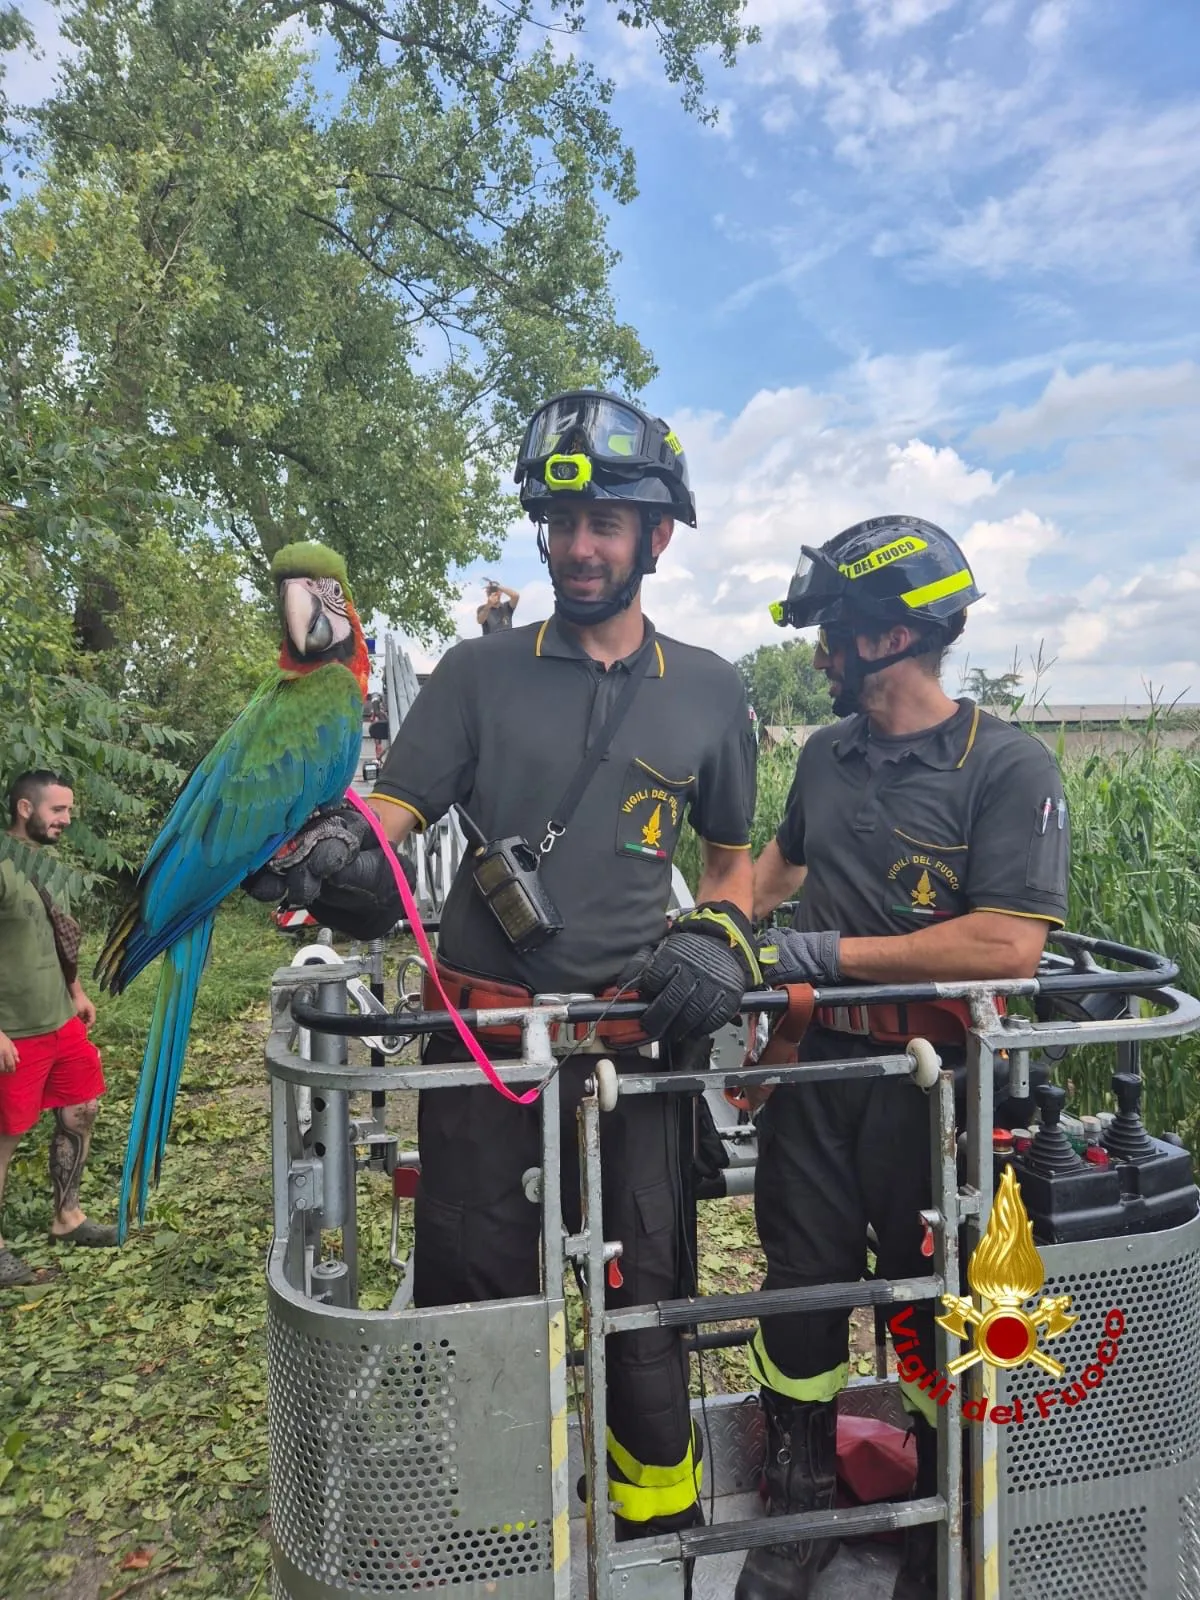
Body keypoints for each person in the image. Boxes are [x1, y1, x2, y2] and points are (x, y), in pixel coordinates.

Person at [251, 390, 759, 1573]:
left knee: (646, 1300)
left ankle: (658, 1534)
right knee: (478, 1302)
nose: (578, 547)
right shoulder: (478, 673)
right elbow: (390, 807)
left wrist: (718, 933)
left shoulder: (713, 689)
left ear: (657, 538)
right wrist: (333, 848)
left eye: (607, 524)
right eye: (561, 520)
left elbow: (734, 861)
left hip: (637, 1048)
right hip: (484, 1056)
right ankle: (495, 1546)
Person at [736, 516, 1070, 1600]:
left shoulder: (1008, 766)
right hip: (817, 1075)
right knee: (799, 1291)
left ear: (888, 635)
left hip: (939, 1089)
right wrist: (701, 932)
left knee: (935, 1306)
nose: (820, 652)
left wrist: (829, 952)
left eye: (832, 632)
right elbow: (773, 876)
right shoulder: (828, 757)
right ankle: (799, 1507)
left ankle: (941, 1528)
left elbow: (1008, 942)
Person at [0, 772, 116, 1287]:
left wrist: (75, 992)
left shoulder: (46, 864)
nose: (67, 820)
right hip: (14, 1029)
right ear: (25, 807)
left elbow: (55, 932)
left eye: (69, 810)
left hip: (59, 1020)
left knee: (82, 1109)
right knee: (5, 1135)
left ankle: (66, 1217)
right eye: (59, 810)